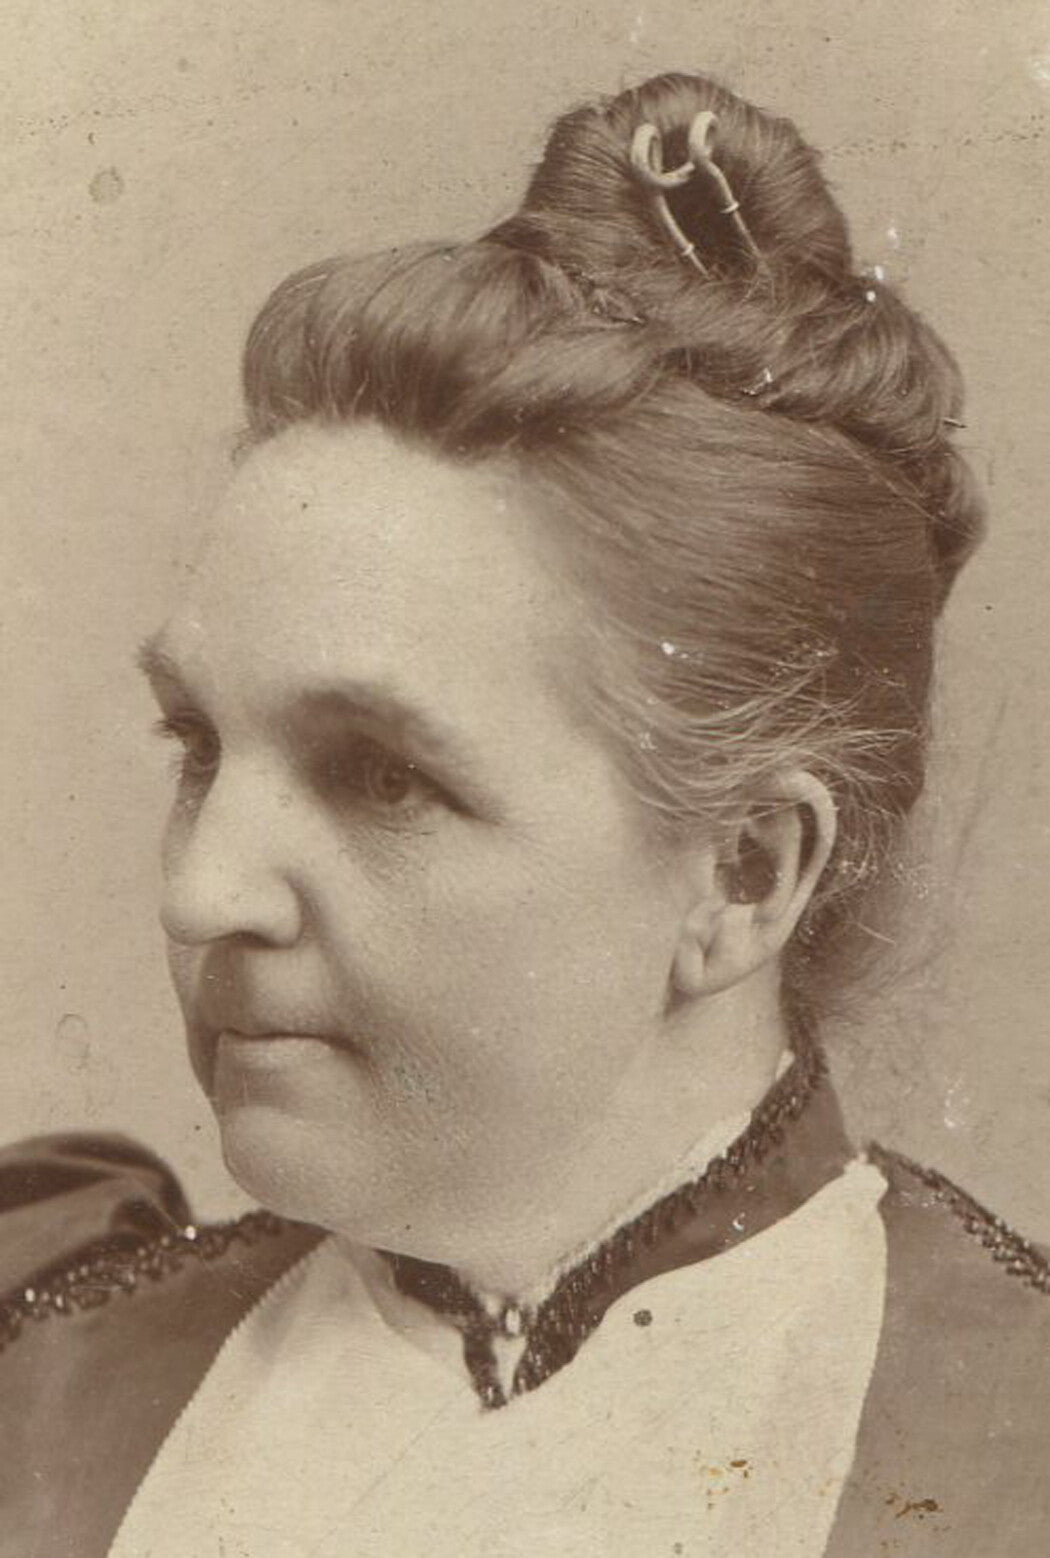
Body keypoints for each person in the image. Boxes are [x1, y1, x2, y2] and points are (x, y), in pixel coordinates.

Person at [1, 69, 1046, 1558]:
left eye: (381, 775)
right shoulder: (42, 1391)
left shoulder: (1004, 1442)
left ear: (744, 872)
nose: (205, 888)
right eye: (197, 744)